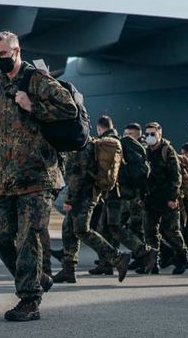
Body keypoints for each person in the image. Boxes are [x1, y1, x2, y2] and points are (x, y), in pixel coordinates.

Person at [0, 31, 78, 322]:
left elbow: (69, 110)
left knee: (28, 238)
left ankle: (29, 300)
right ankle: (37, 279)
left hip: (39, 176)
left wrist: (33, 106)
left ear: (16, 50)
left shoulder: (38, 81)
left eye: (3, 54)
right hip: (6, 178)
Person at [53, 117, 131, 284]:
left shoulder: (80, 145)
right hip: (84, 194)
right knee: (68, 229)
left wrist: (70, 199)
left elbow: (77, 175)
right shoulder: (82, 141)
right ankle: (68, 269)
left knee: (82, 230)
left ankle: (118, 258)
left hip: (83, 195)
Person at [98, 122, 156, 275]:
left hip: (117, 194)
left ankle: (144, 251)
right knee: (106, 227)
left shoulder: (113, 145)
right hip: (122, 193)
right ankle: (107, 263)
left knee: (114, 227)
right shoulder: (131, 147)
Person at [143, 123, 188, 275]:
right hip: (151, 199)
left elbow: (176, 177)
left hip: (167, 199)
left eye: (153, 134)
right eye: (148, 134)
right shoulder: (146, 152)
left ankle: (183, 259)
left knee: (171, 232)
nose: (150, 137)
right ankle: (153, 262)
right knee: (150, 231)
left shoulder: (167, 151)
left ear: (160, 134)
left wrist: (173, 198)